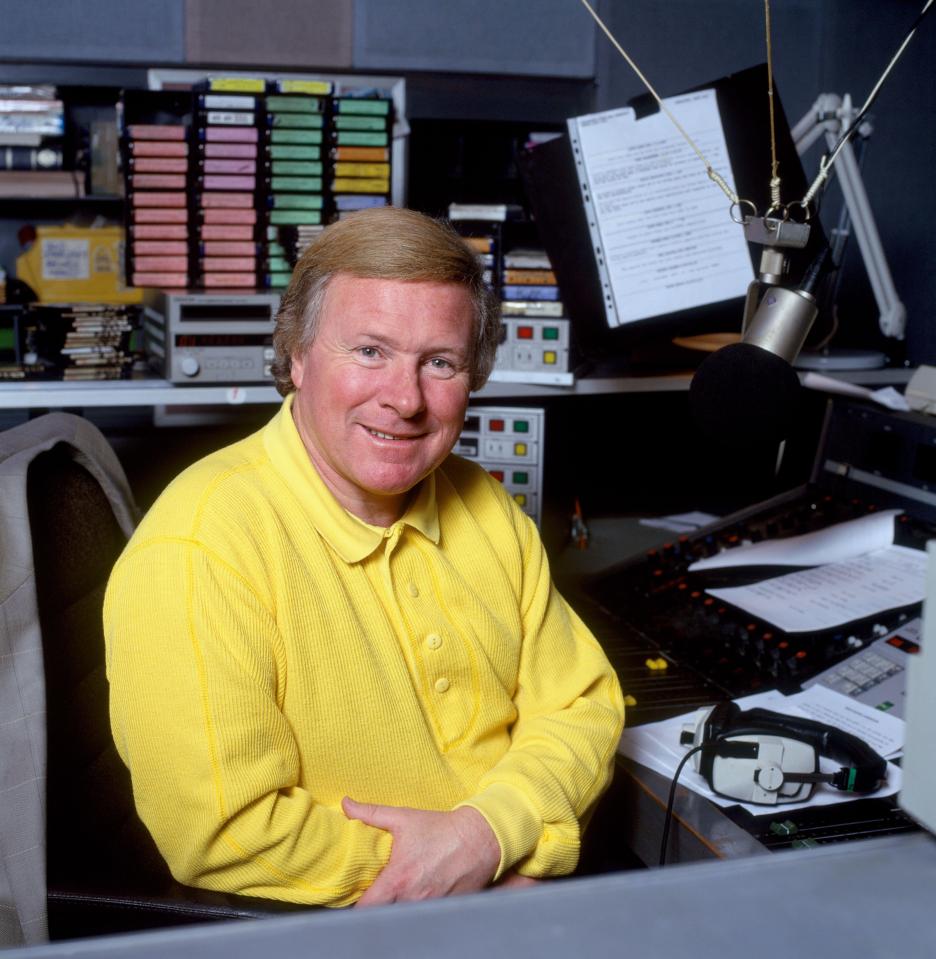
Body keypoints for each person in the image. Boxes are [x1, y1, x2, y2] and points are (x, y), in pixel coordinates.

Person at [103, 206, 625, 908]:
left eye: (439, 362)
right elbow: (224, 828)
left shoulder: (483, 504)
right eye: (370, 351)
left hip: (511, 894)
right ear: (295, 354)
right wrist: (459, 878)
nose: (404, 400)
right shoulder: (200, 546)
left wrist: (487, 836)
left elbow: (582, 706)